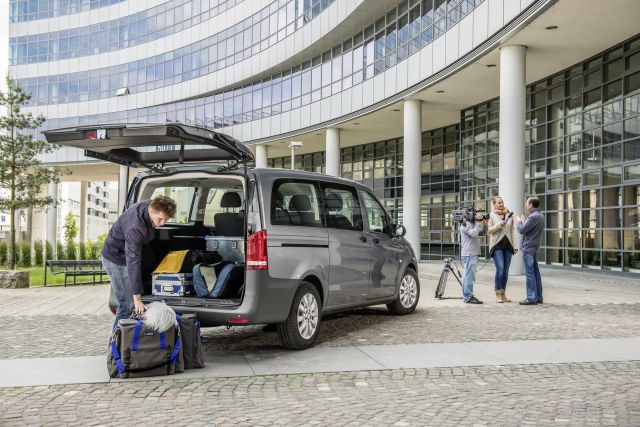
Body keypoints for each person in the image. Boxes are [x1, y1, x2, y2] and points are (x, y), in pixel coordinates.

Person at [101, 195, 177, 329]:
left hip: (126, 254)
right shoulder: (135, 228)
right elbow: (133, 262)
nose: (163, 223)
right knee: (127, 305)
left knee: (131, 302)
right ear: (151, 211)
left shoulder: (151, 205)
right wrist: (137, 299)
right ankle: (116, 345)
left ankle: (132, 340)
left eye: (166, 219)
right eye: (160, 219)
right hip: (115, 258)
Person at [487, 196, 519, 303]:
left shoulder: (508, 214)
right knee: (500, 269)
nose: (501, 204)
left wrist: (515, 246)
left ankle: (503, 293)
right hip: (497, 246)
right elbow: (489, 230)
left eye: (502, 202)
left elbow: (512, 232)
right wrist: (499, 225)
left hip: (508, 246)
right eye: (498, 203)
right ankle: (498, 294)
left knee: (505, 272)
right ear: (494, 204)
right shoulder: (491, 215)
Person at [516, 196, 545, 305]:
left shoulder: (533, 217)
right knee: (535, 272)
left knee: (529, 273)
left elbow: (522, 230)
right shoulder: (540, 215)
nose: (525, 205)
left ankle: (531, 298)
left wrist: (519, 222)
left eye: (527, 203)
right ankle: (538, 297)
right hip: (534, 247)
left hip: (528, 247)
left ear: (531, 205)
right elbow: (529, 229)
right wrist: (524, 221)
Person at [459, 211, 487, 304]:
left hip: (473, 253)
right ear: (469, 215)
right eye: (475, 214)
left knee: (469, 275)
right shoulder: (465, 224)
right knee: (469, 276)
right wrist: (479, 222)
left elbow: (482, 233)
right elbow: (474, 233)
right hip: (469, 253)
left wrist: (484, 223)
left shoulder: (473, 224)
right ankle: (468, 297)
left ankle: (467, 296)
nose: (477, 216)